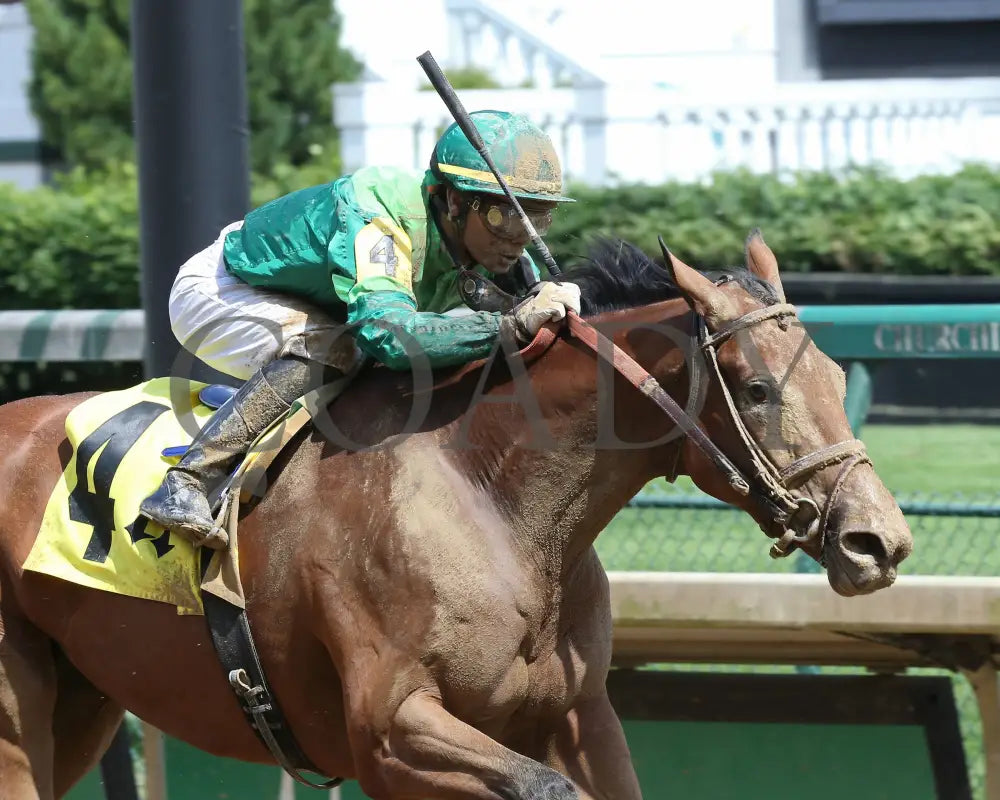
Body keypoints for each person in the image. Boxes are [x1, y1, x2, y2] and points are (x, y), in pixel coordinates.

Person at [139, 110, 582, 549]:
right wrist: (509, 324)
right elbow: (390, 336)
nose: (520, 237)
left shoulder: (498, 247)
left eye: (537, 218)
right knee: (340, 349)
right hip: (224, 289)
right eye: (505, 216)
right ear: (452, 201)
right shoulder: (382, 219)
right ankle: (187, 481)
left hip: (321, 300)